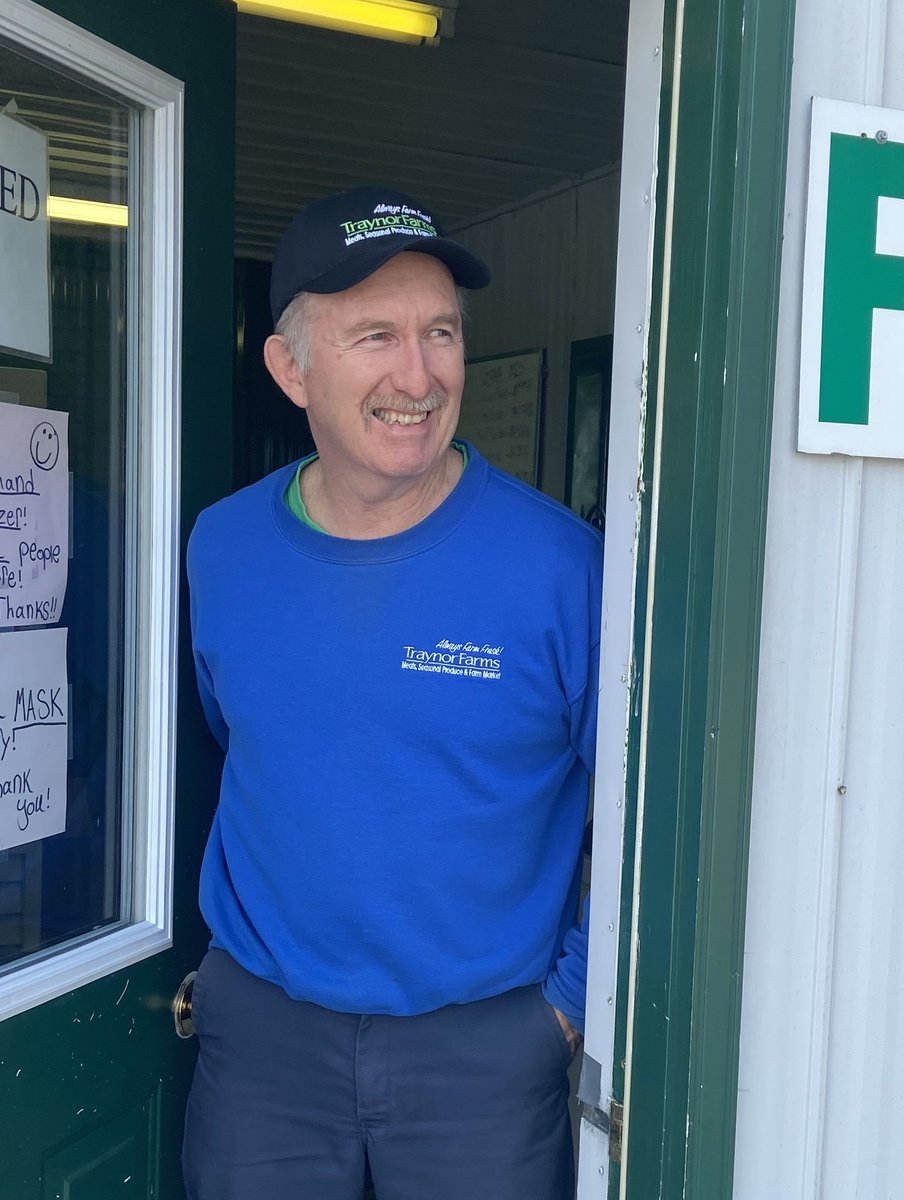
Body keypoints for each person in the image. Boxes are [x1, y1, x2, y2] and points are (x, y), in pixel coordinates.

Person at [182, 185, 601, 1200]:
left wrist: (567, 1005)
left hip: (483, 1058)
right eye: (376, 335)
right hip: (266, 1051)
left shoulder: (561, 565)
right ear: (292, 368)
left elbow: (644, 812)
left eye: (440, 333)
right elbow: (230, 746)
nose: (417, 375)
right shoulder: (223, 546)